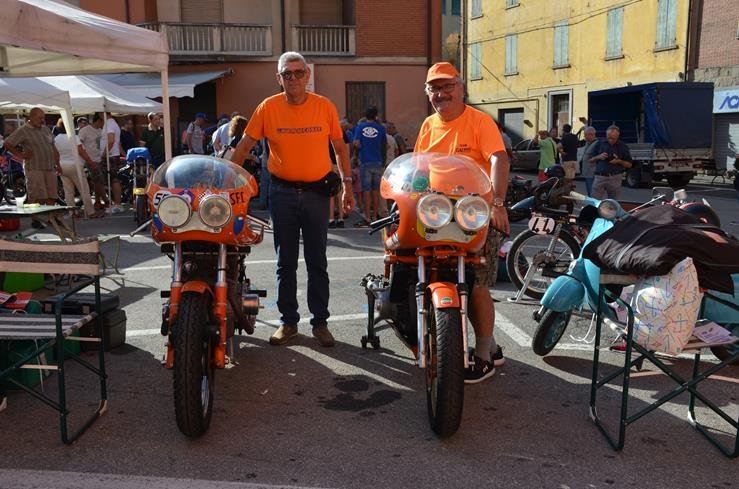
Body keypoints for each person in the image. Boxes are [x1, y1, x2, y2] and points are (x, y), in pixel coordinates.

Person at [230, 51, 354, 348]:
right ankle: (288, 322)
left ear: (307, 75)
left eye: (299, 72)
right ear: (279, 78)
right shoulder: (268, 107)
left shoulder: (324, 106)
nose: (294, 78)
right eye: (288, 74)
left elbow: (340, 148)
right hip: (282, 193)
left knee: (317, 261)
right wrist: (227, 181)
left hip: (317, 194)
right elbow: (244, 146)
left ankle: (320, 323)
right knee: (285, 262)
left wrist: (347, 185)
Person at [414, 62, 509, 383]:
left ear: (461, 88)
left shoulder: (480, 121)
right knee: (442, 275)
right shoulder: (428, 125)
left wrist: (497, 203)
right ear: (428, 93)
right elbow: (419, 169)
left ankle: (483, 355)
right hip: (437, 212)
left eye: (447, 86)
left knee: (476, 282)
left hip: (473, 213)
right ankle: (487, 344)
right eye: (434, 88)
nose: (441, 93)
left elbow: (498, 158)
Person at [3, 108, 62, 228]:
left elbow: (53, 147)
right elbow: (8, 143)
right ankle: (35, 219)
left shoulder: (45, 129)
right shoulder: (23, 130)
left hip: (49, 167)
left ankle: (51, 219)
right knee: (36, 196)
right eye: (40, 118)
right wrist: (21, 155)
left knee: (52, 194)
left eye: (43, 117)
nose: (42, 120)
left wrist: (58, 164)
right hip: (34, 168)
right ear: (31, 117)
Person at [52, 119, 100, 219]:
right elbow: (81, 152)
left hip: (62, 165)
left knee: (68, 191)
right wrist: (91, 163)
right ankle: (90, 212)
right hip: (75, 166)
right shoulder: (73, 137)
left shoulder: (56, 139)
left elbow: (54, 154)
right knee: (84, 190)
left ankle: (72, 213)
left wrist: (57, 165)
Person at [352, 106, 387, 226]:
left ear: (365, 115)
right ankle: (375, 216)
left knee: (366, 191)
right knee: (375, 191)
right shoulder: (381, 128)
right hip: (377, 162)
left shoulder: (360, 127)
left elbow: (356, 144)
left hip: (365, 162)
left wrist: (360, 149)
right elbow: (384, 145)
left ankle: (367, 217)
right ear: (375, 116)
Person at [591, 125, 632, 200]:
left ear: (618, 136)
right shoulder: (599, 143)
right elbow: (590, 160)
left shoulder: (623, 146)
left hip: (615, 177)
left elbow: (629, 165)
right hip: (600, 176)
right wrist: (598, 157)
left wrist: (619, 161)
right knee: (594, 201)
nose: (610, 140)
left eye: (613, 138)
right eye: (609, 137)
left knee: (613, 202)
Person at [78, 113, 109, 209]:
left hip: (99, 159)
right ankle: (106, 200)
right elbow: (79, 144)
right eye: (103, 122)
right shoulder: (85, 130)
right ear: (98, 121)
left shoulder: (101, 130)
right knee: (100, 180)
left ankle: (97, 201)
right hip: (90, 160)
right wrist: (87, 159)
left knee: (97, 181)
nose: (104, 124)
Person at [579, 126, 599, 196]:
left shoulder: (597, 144)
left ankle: (593, 203)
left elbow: (598, 158)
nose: (584, 136)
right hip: (587, 173)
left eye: (585, 135)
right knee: (589, 192)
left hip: (592, 174)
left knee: (592, 193)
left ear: (591, 134)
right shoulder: (588, 143)